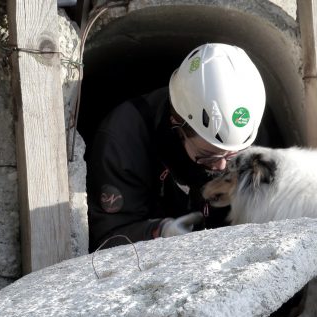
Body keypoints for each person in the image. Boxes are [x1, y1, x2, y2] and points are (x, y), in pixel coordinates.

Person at [87, 43, 266, 251]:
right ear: (177, 125)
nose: (220, 166)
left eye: (234, 155)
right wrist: (158, 232)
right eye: (208, 156)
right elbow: (106, 240)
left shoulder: (247, 130)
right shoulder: (123, 142)